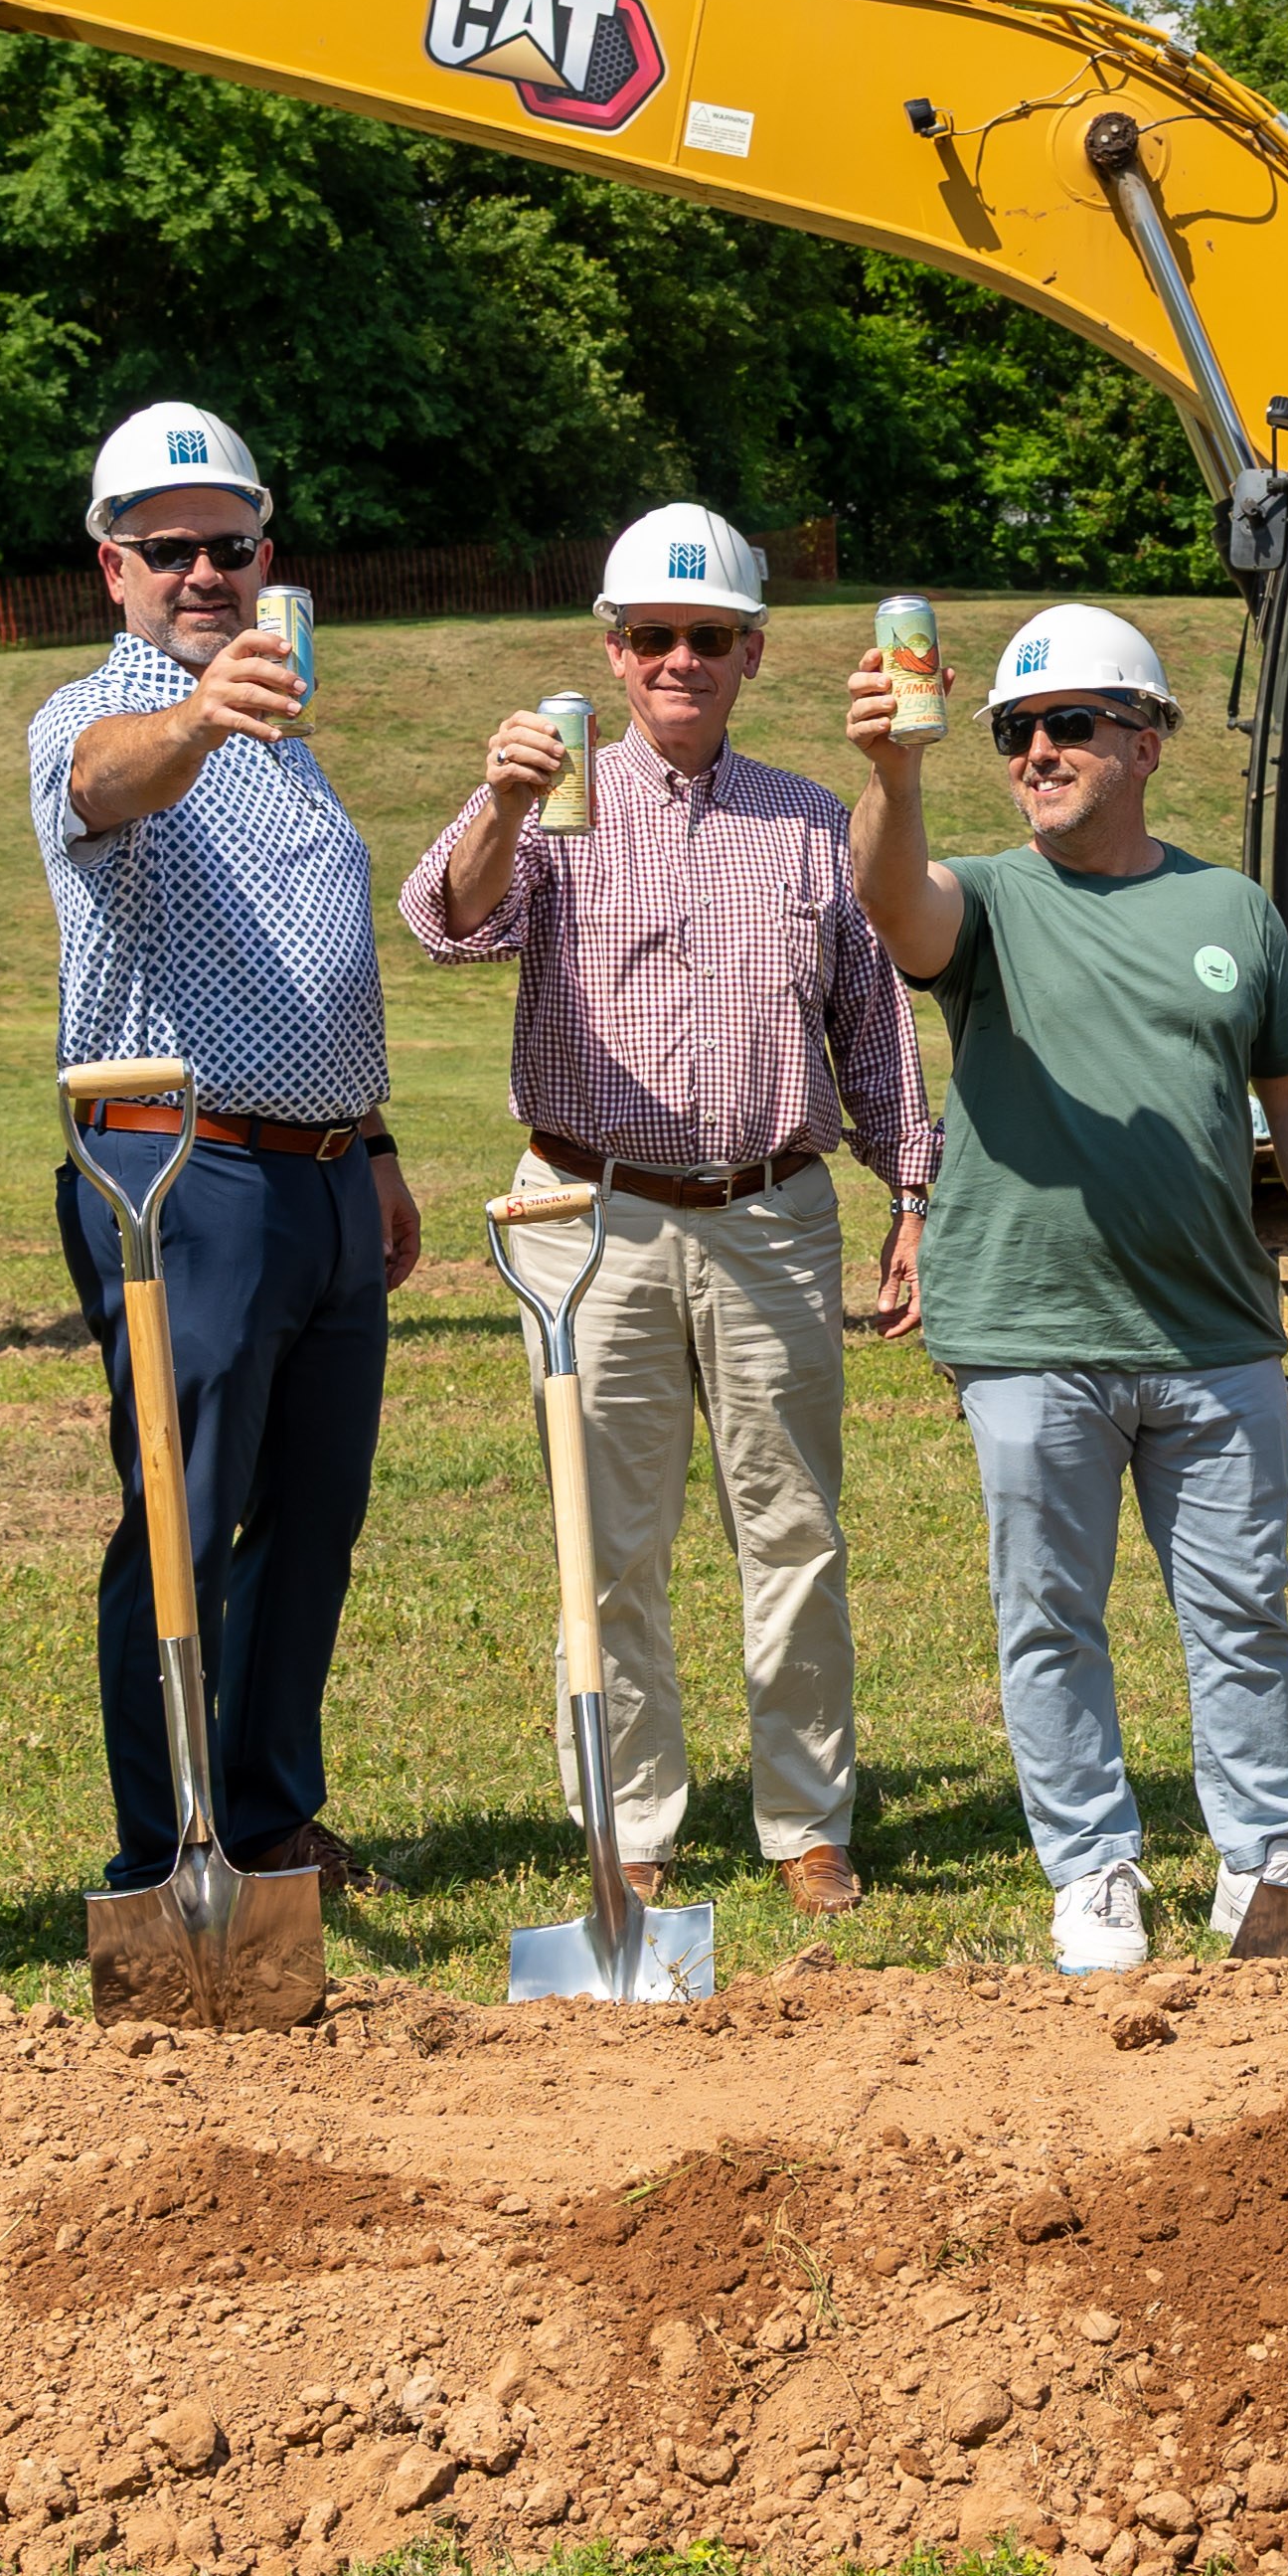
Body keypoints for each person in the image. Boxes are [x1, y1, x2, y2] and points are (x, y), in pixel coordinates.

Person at [409, 501, 934, 1922]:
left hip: (770, 1211)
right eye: (654, 635)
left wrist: (912, 1191)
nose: (679, 659)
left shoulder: (811, 821)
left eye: (708, 635)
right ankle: (628, 1824)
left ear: (753, 651)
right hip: (588, 1213)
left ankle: (806, 1821)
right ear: (614, 649)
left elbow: (873, 1026)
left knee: (794, 1530)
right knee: (607, 1541)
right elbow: (447, 922)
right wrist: (501, 801)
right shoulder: (554, 800)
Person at [839, 602, 1288, 1972]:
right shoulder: (987, 900)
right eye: (1016, 730)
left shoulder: (1229, 910)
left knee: (1243, 1613)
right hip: (1029, 1331)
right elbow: (894, 906)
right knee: (1049, 1620)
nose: (1037, 750)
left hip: (1212, 1332)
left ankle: (1263, 1857)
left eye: (1069, 724)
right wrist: (893, 774)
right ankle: (1091, 1869)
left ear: (1145, 742)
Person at [29, 400, 415, 1914]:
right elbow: (100, 783)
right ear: (111, 565)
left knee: (312, 1518)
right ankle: (167, 1846)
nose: (204, 572)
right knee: (184, 1514)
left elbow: (319, 959)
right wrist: (198, 717)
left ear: (267, 553)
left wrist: (370, 1143)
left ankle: (266, 1812)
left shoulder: (282, 729)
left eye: (230, 546)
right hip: (180, 1176)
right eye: (169, 548)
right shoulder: (105, 713)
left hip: (319, 1173)